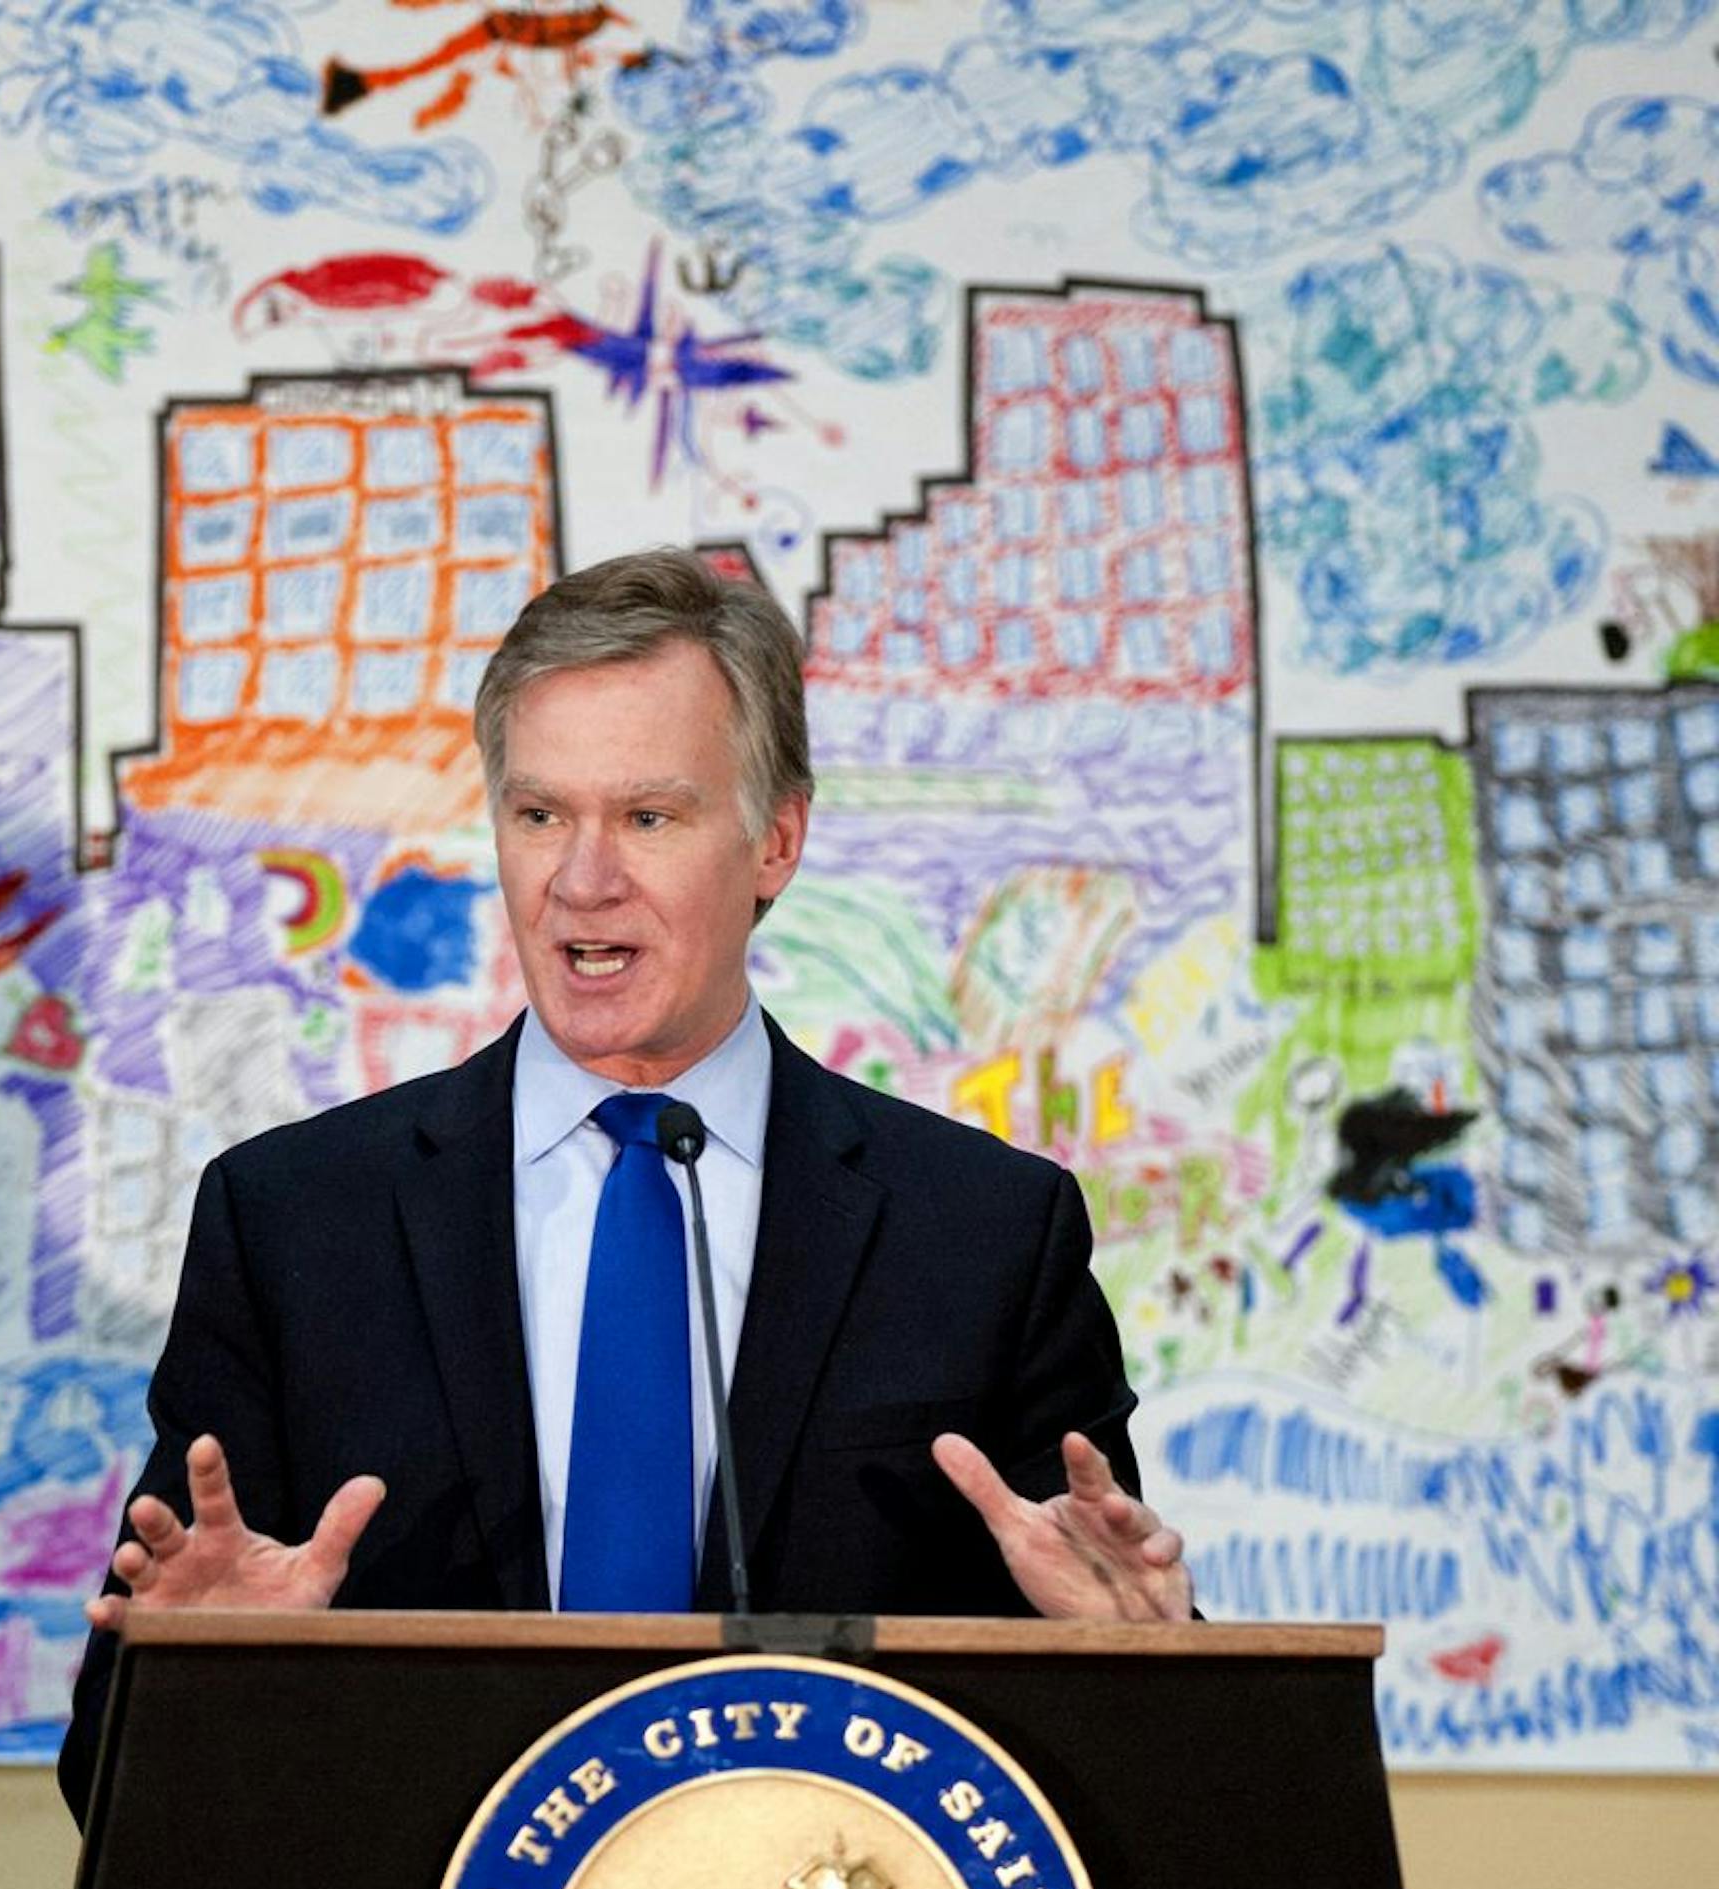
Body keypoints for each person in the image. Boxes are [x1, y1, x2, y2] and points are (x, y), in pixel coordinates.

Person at [59, 548, 1190, 1822]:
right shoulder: (294, 1224)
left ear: (775, 841)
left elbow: (1115, 1779)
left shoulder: (982, 1236)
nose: (581, 880)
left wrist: (1148, 1662)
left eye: (648, 818)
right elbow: (109, 1780)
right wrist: (199, 1677)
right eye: (541, 815)